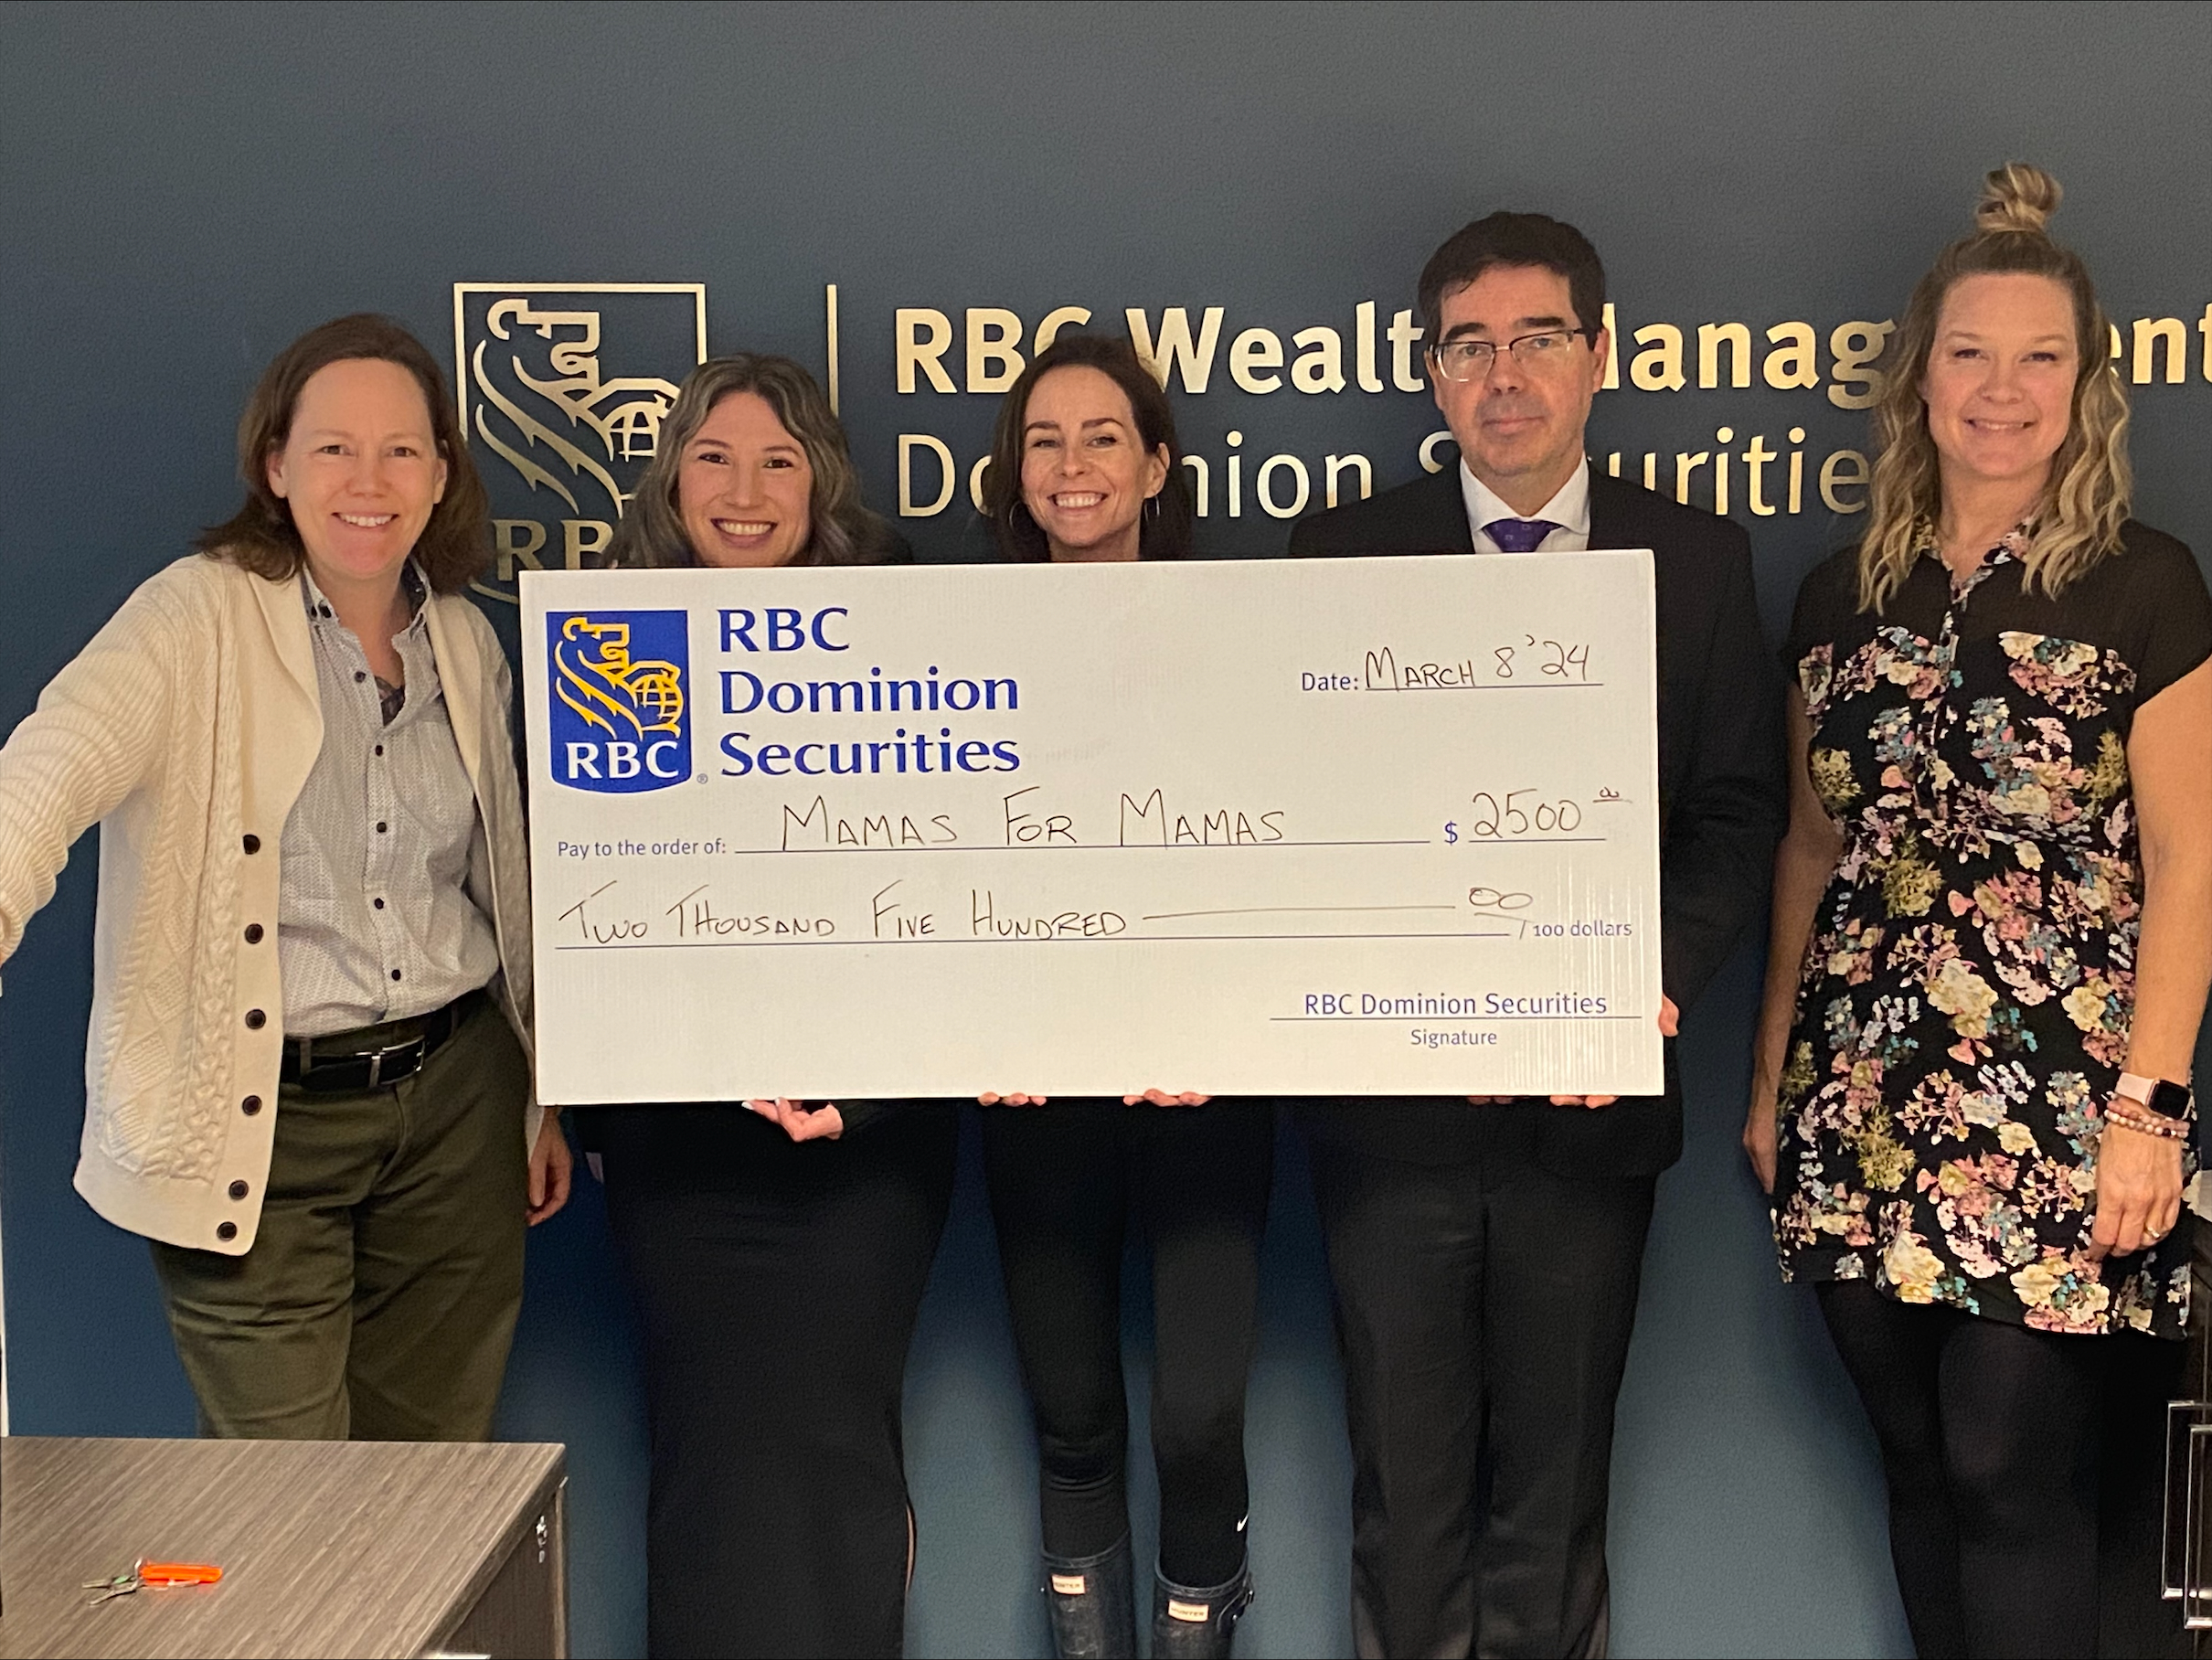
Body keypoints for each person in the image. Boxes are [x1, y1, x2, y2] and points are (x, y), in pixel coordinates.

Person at [1286, 215, 1785, 1656]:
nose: (1504, 376)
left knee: (1556, 1505)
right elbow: (1293, 821)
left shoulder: (1692, 562)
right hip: (1392, 1125)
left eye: (1537, 340)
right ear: (1434, 376)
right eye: (1471, 347)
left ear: (1600, 357)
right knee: (1405, 1494)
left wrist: (1638, 983)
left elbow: (1739, 813)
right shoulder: (1340, 553)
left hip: (1590, 1111)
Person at [1746, 165, 2212, 1659]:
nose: (2000, 390)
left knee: (2014, 1465)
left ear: (2085, 388)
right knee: (1924, 1468)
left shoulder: (2145, 587)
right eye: (1969, 353)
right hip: (1860, 1098)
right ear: (1919, 379)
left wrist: (2152, 1106)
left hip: (2065, 1106)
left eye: (2038, 358)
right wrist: (1769, 1080)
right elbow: (1812, 854)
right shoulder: (1839, 593)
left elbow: (2193, 865)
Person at [0, 313, 569, 1440]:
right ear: (275, 466)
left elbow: (502, 889)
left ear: (442, 471)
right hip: (253, 1128)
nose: (370, 480)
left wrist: (539, 1095)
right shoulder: (192, 618)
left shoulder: (466, 640)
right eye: (332, 448)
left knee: (434, 1491)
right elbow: (50, 766)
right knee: (286, 1514)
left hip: (456, 1110)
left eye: (403, 449)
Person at [586, 353, 957, 1660]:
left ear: (822, 488)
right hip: (681, 1152)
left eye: (780, 462)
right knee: (706, 1452)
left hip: (864, 1157)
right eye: (715, 459)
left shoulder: (901, 646)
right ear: (670, 481)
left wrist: (865, 1096)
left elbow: (962, 905)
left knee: (839, 1451)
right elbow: (576, 916)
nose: (745, 493)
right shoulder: (608, 652)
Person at [974, 333, 1272, 1660]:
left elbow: (1286, 857)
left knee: (1198, 1413)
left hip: (1206, 1092)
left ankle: (1204, 1625)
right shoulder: (948, 648)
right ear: (1014, 475)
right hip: (1039, 1097)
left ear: (1156, 465)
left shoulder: (1238, 639)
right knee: (1074, 1412)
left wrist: (1229, 1026)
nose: (1074, 464)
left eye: (1104, 436)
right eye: (1046, 439)